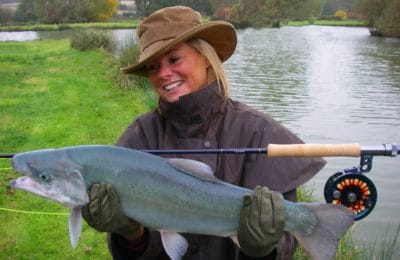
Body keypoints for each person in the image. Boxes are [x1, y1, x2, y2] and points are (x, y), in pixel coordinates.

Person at [81, 5, 325, 260]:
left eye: (174, 59)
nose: (164, 73)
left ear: (206, 58)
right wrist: (130, 233)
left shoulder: (259, 131)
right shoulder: (139, 136)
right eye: (153, 67)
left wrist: (261, 250)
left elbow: (285, 247)